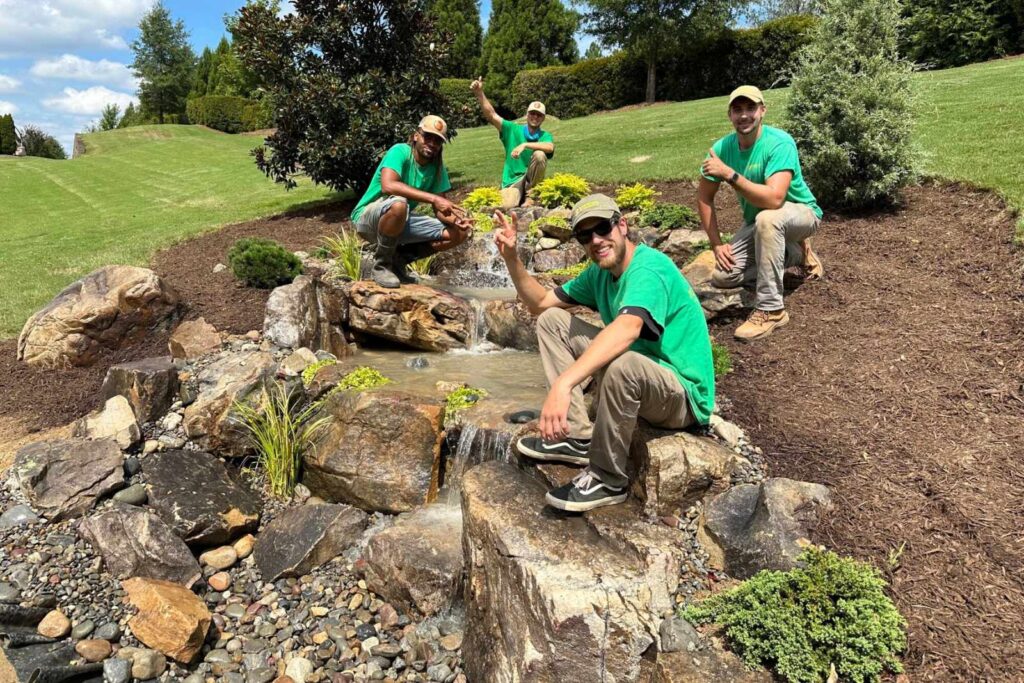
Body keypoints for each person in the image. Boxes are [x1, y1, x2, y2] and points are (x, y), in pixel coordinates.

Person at [495, 194, 715, 512]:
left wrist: (563, 384)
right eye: (586, 235)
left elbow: (628, 329)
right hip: (641, 369)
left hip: (682, 396)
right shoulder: (599, 273)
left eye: (602, 228)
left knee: (625, 362)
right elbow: (539, 303)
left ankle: (607, 478)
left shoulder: (649, 269)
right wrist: (511, 258)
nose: (596, 240)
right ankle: (577, 437)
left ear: (622, 226)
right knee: (552, 321)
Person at [698, 85, 824, 341]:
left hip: (801, 215)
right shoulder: (722, 149)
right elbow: (704, 197)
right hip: (759, 224)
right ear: (730, 115)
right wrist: (716, 244)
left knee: (768, 218)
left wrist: (730, 174)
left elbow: (775, 199)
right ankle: (796, 253)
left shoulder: (779, 143)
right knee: (724, 276)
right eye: (737, 109)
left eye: (750, 108)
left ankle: (771, 309)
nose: (744, 115)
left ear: (762, 111)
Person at [351, 115, 472, 288]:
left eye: (437, 140)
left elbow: (440, 209)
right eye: (427, 137)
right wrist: (433, 198)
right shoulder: (400, 151)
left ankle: (399, 260)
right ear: (416, 136)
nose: (432, 143)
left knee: (460, 233)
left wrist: (457, 221)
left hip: (399, 220)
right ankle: (381, 266)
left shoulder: (436, 167)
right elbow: (388, 185)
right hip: (367, 219)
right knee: (399, 204)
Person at [471, 77, 554, 210]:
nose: (535, 117)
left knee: (540, 155)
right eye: (532, 113)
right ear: (527, 115)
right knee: (506, 206)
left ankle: (531, 196)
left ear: (543, 118)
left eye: (539, 115)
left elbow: (550, 147)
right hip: (513, 180)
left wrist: (525, 145)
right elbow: (492, 115)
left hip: (532, 181)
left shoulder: (545, 136)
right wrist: (479, 93)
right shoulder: (512, 129)